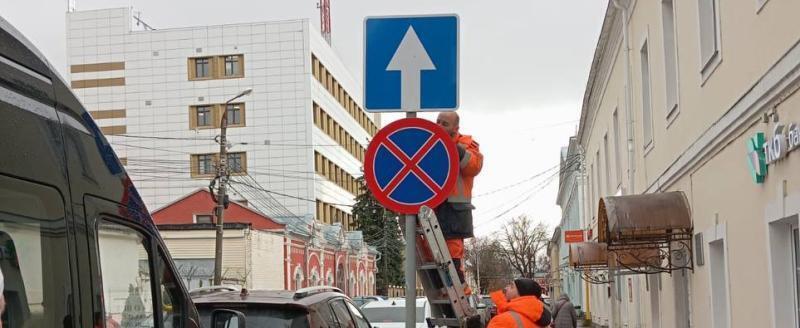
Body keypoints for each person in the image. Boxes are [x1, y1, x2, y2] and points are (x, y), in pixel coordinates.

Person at [435, 112, 483, 295]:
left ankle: (459, 287)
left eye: (444, 124)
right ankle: (444, 286)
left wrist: (452, 146)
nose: (439, 126)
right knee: (433, 250)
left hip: (455, 206)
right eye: (437, 122)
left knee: (452, 250)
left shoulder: (466, 144)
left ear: (456, 128)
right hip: (433, 205)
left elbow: (473, 166)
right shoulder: (430, 142)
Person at [487, 278, 551, 328]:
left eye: (512, 287)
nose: (506, 288)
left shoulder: (502, 321)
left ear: (522, 293)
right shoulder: (542, 319)